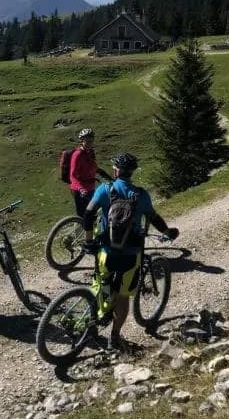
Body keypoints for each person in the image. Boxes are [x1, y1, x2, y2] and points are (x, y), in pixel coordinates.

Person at [82, 152, 179, 352]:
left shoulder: (105, 189)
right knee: (124, 297)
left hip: (106, 251)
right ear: (132, 172)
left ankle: (96, 317)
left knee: (101, 284)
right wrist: (168, 232)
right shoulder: (141, 195)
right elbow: (154, 218)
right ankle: (115, 337)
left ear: (116, 171)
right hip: (131, 253)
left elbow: (88, 214)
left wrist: (89, 240)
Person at [68, 128, 112, 216]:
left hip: (91, 188)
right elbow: (72, 175)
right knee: (84, 216)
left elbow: (95, 169)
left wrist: (111, 179)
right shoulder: (77, 155)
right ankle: (80, 227)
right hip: (79, 190)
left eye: (91, 141)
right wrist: (81, 189)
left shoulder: (90, 153)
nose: (89, 143)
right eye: (87, 141)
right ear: (82, 141)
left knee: (94, 212)